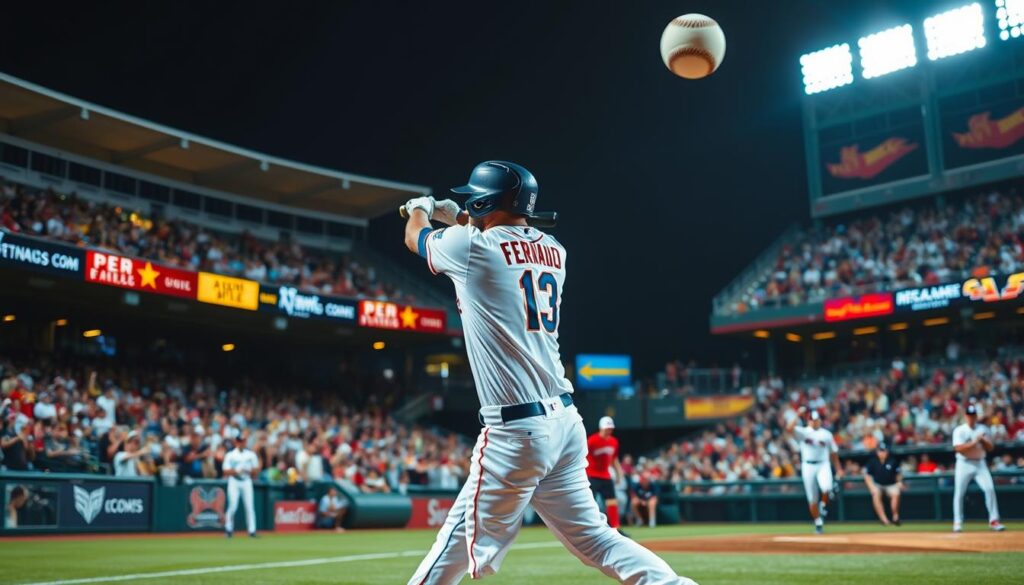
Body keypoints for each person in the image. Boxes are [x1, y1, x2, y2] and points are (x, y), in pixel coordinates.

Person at [401, 161, 696, 585]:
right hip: (564, 423)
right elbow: (497, 237)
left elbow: (417, 237)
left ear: (486, 201)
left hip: (515, 431)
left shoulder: (471, 247)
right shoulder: (555, 250)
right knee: (597, 539)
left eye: (474, 197)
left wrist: (422, 207)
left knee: (450, 545)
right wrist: (462, 216)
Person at [786, 408, 841, 534]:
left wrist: (839, 469)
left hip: (823, 464)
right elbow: (788, 429)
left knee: (827, 487)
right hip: (808, 466)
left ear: (820, 420)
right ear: (808, 421)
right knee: (812, 498)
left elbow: (834, 453)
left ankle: (823, 506)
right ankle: (818, 522)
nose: (814, 422)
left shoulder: (826, 434)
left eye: (816, 420)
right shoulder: (803, 432)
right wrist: (797, 415)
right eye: (812, 420)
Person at [952, 403, 1005, 533]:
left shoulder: (983, 429)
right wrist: (974, 442)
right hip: (964, 464)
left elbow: (990, 447)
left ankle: (994, 520)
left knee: (989, 488)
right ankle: (957, 522)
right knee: (959, 493)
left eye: (973, 415)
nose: (971, 418)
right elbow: (958, 449)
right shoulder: (960, 430)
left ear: (976, 416)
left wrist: (983, 441)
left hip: (980, 463)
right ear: (965, 416)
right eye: (969, 415)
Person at [586, 416, 623, 532]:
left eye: (611, 428)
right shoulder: (592, 440)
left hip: (606, 475)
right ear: (601, 428)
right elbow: (583, 458)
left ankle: (616, 528)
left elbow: (614, 460)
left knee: (612, 501)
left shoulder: (614, 442)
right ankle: (591, 527)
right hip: (592, 475)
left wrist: (619, 474)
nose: (609, 431)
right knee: (591, 502)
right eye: (607, 428)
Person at [223, 438, 260, 538]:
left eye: (243, 441)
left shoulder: (250, 455)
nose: (241, 443)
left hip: (246, 481)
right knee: (233, 506)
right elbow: (225, 471)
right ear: (236, 442)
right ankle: (228, 529)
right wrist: (236, 471)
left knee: (249, 507)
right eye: (239, 441)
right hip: (234, 481)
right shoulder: (230, 455)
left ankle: (252, 531)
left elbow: (256, 470)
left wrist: (248, 470)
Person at [862, 442, 903, 526]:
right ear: (877, 452)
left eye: (884, 451)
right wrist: (871, 487)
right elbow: (866, 476)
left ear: (887, 451)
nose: (882, 453)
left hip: (891, 484)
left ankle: (895, 516)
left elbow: (898, 474)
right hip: (878, 484)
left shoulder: (892, 460)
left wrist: (899, 482)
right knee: (875, 494)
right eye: (880, 451)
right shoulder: (872, 461)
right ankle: (884, 520)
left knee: (896, 492)